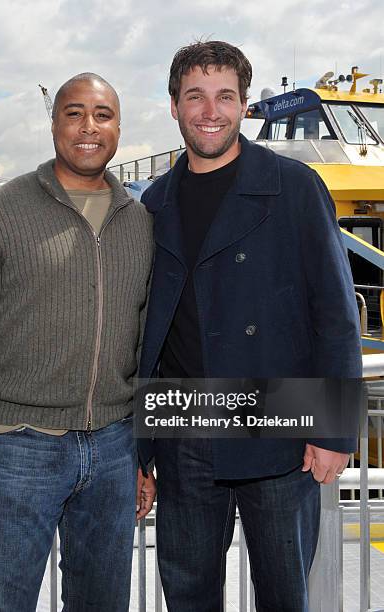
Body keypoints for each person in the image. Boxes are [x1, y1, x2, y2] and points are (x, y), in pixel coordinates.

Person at [137, 41, 362, 611]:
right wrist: (141, 450)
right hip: (183, 424)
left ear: (242, 107)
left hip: (279, 423)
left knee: (285, 595)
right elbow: (146, 327)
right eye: (195, 96)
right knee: (188, 596)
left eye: (224, 97)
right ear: (173, 106)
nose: (209, 110)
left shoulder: (295, 186)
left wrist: (334, 431)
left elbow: (335, 313)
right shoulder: (155, 201)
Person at [0, 72, 156, 612]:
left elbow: (148, 343)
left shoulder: (141, 222)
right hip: (16, 451)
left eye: (102, 115)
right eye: (74, 113)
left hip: (115, 449)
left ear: (119, 127)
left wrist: (147, 457)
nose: (88, 127)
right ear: (53, 123)